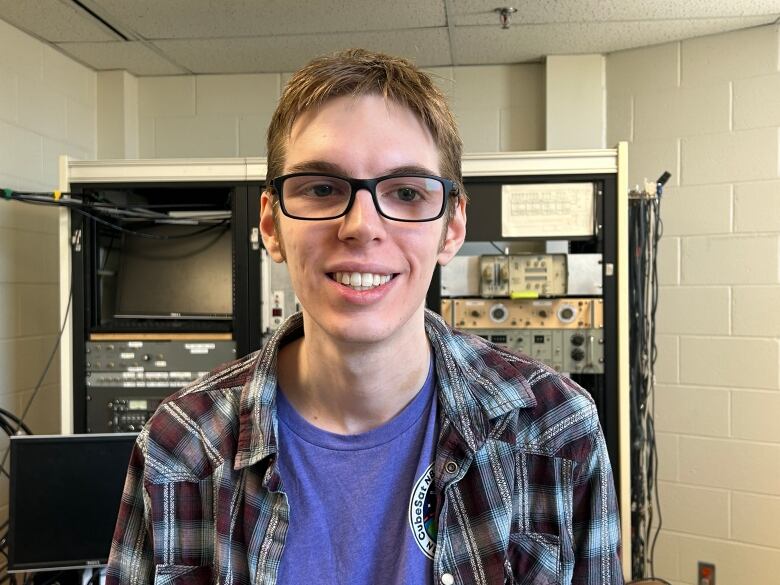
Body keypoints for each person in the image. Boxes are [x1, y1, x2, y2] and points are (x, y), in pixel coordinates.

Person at [106, 48, 623, 585]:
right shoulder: (180, 449)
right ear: (270, 224)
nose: (361, 226)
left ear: (452, 226)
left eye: (405, 192)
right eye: (322, 188)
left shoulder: (556, 433)